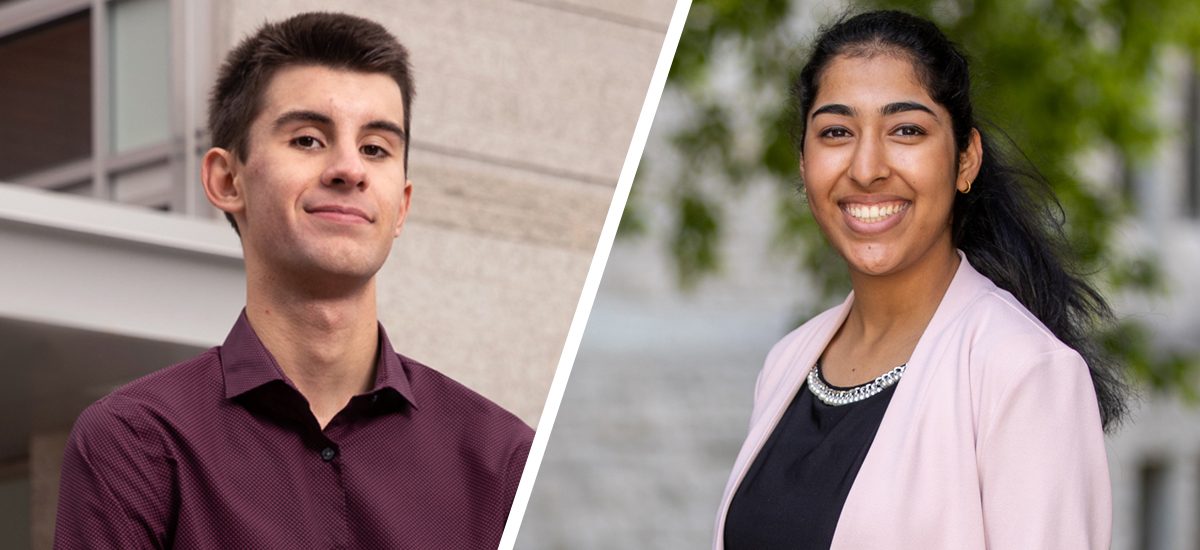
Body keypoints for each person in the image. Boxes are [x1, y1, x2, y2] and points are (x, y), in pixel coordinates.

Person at [54, 12, 533, 549]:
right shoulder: (138, 444)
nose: (349, 169)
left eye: (375, 148)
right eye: (308, 140)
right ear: (226, 179)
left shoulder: (504, 461)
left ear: (400, 206)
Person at [715, 10, 1129, 550]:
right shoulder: (786, 364)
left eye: (906, 130)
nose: (866, 168)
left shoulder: (1024, 372)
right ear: (803, 163)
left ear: (965, 161)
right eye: (837, 131)